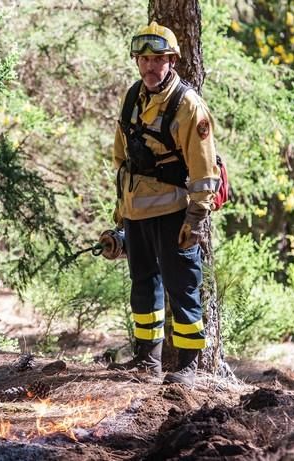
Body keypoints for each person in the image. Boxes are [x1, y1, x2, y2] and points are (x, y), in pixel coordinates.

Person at [108, 21, 221, 388]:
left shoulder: (187, 105)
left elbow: (204, 169)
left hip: (175, 213)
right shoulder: (131, 99)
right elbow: (120, 159)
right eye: (144, 59)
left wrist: (197, 216)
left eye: (158, 59)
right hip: (136, 212)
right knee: (142, 284)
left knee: (183, 287)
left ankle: (189, 366)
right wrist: (121, 214)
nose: (150, 66)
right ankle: (147, 360)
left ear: (172, 61)